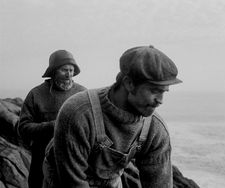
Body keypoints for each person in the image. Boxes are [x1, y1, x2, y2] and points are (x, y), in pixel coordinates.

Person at [42, 45, 182, 188]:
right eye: (154, 90)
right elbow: (72, 182)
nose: (160, 100)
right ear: (129, 83)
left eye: (164, 92)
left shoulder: (155, 130)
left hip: (110, 182)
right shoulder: (78, 114)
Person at [18, 50, 86, 188]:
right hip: (41, 159)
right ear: (54, 71)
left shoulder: (82, 93)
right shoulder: (36, 94)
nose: (69, 74)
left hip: (74, 162)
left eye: (71, 70)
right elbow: (23, 128)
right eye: (64, 70)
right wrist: (53, 126)